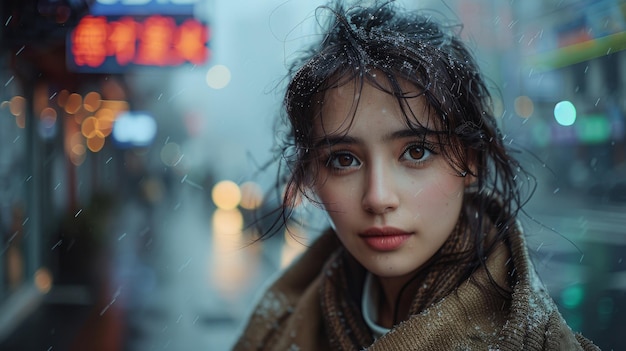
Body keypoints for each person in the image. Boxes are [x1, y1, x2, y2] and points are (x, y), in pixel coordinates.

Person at [233, 1, 600, 350]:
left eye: (416, 152)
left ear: (470, 160)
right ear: (311, 172)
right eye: (344, 159)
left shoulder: (533, 342)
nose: (378, 198)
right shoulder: (280, 329)